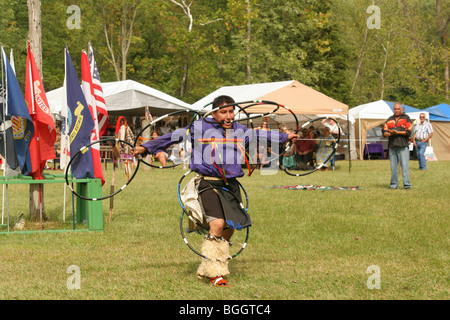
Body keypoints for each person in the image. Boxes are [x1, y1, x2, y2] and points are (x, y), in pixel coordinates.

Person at [132, 95, 298, 287]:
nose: (228, 116)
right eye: (223, 112)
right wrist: (146, 147)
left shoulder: (239, 130)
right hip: (208, 184)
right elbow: (173, 136)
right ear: (214, 112)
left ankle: (208, 264)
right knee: (217, 224)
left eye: (231, 112)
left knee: (232, 225)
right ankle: (215, 273)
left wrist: (285, 136)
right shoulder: (199, 128)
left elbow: (260, 135)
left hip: (230, 185)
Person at [382, 102, 412, 189]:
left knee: (404, 166)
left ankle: (407, 185)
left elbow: (408, 132)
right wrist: (391, 133)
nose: (397, 110)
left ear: (401, 109)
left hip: (403, 146)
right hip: (392, 146)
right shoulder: (389, 119)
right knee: (393, 167)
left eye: (398, 109)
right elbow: (384, 132)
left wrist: (397, 132)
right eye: (395, 109)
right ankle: (393, 185)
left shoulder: (406, 118)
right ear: (393, 109)